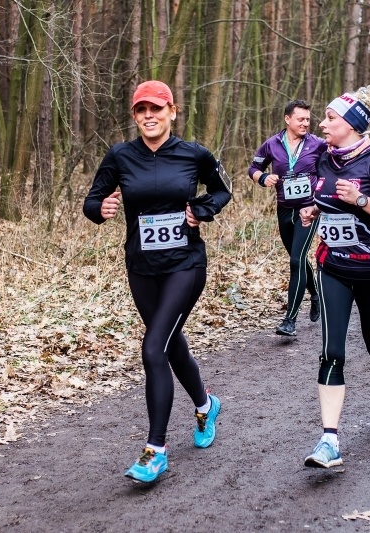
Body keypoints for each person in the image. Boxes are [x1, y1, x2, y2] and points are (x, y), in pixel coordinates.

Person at [83, 80, 231, 483]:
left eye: (157, 109)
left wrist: (202, 210)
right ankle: (205, 405)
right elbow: (91, 201)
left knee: (153, 348)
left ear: (172, 112)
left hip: (185, 263)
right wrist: (103, 207)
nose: (149, 116)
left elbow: (222, 190)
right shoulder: (120, 156)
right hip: (142, 267)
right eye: (141, 110)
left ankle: (155, 451)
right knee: (170, 342)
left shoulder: (193, 154)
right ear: (135, 115)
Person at [299, 85, 370, 468]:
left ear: (351, 124)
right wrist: (315, 209)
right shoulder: (324, 158)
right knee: (331, 351)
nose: (322, 123)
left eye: (330, 118)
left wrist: (361, 200)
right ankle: (329, 440)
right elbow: (323, 194)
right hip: (333, 267)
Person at [248, 100, 328, 337]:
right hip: (284, 209)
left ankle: (290, 320)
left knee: (296, 259)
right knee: (299, 259)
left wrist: (318, 203)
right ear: (288, 119)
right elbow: (253, 168)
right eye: (300, 119)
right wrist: (263, 178)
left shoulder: (318, 145)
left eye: (307, 119)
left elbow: (329, 174)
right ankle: (314, 293)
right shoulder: (272, 145)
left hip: (308, 210)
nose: (305, 123)